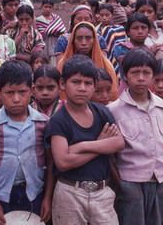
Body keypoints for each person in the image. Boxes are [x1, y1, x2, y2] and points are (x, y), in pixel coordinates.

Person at [46, 55, 125, 225]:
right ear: (62, 84)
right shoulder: (59, 120)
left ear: (94, 86)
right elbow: (63, 162)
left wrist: (82, 146)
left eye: (88, 83)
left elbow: (119, 143)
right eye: (76, 82)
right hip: (70, 192)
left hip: (101, 191)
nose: (82, 88)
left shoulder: (101, 112)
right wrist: (102, 144)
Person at [108, 47, 163, 225]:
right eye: (135, 72)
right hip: (130, 182)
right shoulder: (113, 110)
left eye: (146, 72)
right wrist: (120, 184)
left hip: (160, 180)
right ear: (125, 76)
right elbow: (109, 154)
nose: (141, 77)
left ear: (152, 76)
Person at [0, 61, 53, 224]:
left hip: (34, 194)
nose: (16, 99)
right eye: (9, 93)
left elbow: (50, 162)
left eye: (22, 92)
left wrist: (47, 198)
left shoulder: (43, 123)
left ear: (32, 90)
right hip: (0, 195)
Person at [58, 22, 118, 101]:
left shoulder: (106, 65)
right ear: (73, 40)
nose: (84, 43)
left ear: (95, 40)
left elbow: (112, 93)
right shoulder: (63, 64)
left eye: (88, 38)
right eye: (79, 38)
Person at [113, 12, 151, 80]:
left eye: (143, 28)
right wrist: (151, 54)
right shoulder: (122, 48)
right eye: (135, 28)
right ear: (128, 32)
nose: (140, 31)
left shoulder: (150, 48)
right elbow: (126, 67)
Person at [35, 0, 66, 66]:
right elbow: (38, 34)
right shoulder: (38, 20)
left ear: (53, 8)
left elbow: (62, 30)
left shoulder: (57, 18)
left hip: (55, 44)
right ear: (41, 7)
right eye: (46, 7)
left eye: (50, 7)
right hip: (44, 44)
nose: (48, 9)